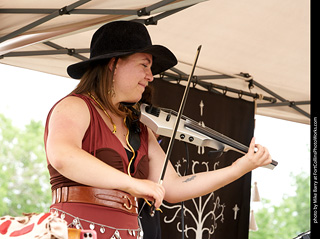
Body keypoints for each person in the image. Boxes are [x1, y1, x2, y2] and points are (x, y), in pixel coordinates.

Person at [44, 21, 272, 239]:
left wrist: (239, 168)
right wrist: (134, 184)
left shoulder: (139, 128)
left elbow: (172, 187)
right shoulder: (75, 105)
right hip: (76, 229)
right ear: (114, 64)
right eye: (144, 65)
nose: (150, 77)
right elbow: (64, 157)